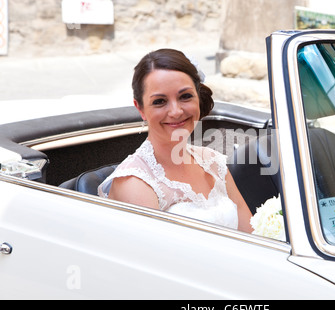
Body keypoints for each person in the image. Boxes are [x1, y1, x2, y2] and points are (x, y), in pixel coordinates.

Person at [98, 49, 253, 233]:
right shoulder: (134, 184)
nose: (176, 111)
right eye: (160, 101)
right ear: (140, 108)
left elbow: (253, 234)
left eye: (185, 96)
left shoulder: (213, 161)